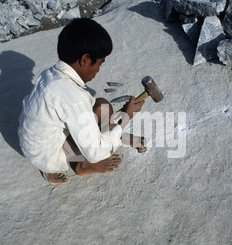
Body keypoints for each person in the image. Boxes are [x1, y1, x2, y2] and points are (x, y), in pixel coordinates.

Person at [18, 18, 145, 185]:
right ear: (85, 59)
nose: (98, 70)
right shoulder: (73, 97)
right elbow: (96, 152)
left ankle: (114, 134)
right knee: (99, 146)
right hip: (47, 156)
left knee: (102, 106)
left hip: (31, 142)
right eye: (99, 63)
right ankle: (82, 165)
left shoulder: (49, 74)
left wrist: (121, 115)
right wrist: (127, 117)